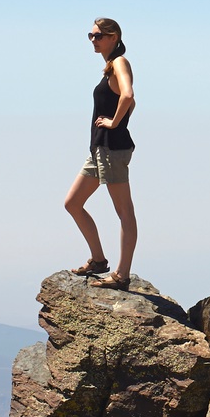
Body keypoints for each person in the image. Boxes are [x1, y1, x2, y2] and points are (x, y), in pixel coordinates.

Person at [64, 17, 137, 289]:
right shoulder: (109, 68)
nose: (93, 40)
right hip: (99, 149)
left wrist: (114, 123)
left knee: (124, 212)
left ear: (114, 37)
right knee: (72, 203)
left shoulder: (119, 63)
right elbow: (130, 101)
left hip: (112, 149)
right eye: (90, 36)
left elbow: (128, 95)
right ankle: (98, 261)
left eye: (98, 36)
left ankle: (122, 275)